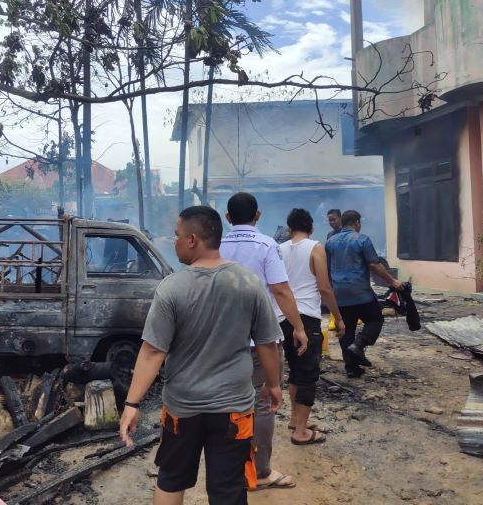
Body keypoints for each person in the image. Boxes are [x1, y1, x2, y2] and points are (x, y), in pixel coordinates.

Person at [119, 206, 285, 505]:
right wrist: (273, 385)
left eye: (177, 236)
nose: (175, 241)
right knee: (228, 489)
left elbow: (153, 351)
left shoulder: (172, 288)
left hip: (183, 409)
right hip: (233, 409)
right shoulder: (248, 283)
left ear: (193, 239)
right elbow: (267, 343)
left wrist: (132, 403)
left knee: (171, 479)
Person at [220, 192, 304, 490]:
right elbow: (280, 290)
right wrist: (299, 327)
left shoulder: (215, 245)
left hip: (221, 341)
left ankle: (231, 469)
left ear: (228, 218)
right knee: (265, 400)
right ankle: (262, 471)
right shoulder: (267, 244)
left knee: (228, 403)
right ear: (258, 215)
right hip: (260, 342)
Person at [280, 208, 346, 445]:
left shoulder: (280, 249)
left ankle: (295, 419)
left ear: (290, 229)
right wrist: (338, 317)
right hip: (306, 316)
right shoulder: (316, 247)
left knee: (295, 371)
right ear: (311, 228)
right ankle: (300, 432)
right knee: (308, 373)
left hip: (284, 317)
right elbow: (325, 287)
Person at [325, 210, 404, 378]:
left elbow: (327, 269)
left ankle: (352, 369)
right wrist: (393, 281)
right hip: (361, 293)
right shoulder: (362, 239)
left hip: (340, 295)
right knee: (375, 319)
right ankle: (359, 344)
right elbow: (375, 265)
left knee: (345, 330)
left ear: (342, 222)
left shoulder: (330, 242)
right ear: (357, 223)